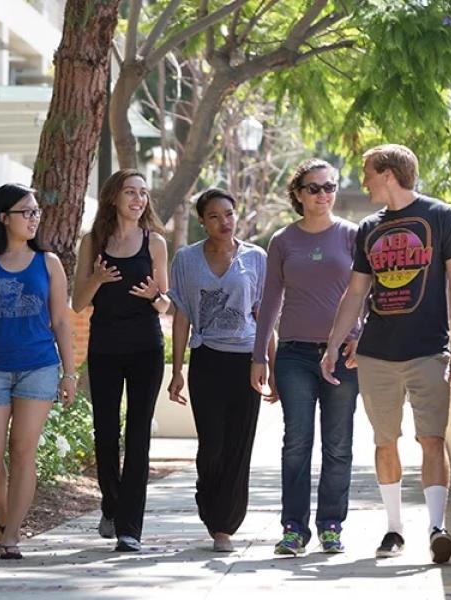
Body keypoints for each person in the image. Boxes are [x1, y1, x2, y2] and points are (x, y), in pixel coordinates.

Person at [321, 144, 451, 564]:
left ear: (387, 173)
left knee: (432, 438)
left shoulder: (441, 217)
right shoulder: (369, 227)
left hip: (428, 351)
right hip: (376, 354)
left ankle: (437, 527)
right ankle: (393, 529)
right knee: (385, 441)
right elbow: (356, 291)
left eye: (367, 171)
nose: (363, 179)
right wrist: (334, 344)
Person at [249, 159, 362, 557]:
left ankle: (331, 524)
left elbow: (367, 292)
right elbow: (270, 302)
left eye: (329, 187)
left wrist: (359, 339)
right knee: (297, 441)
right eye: (313, 188)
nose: (323, 195)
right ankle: (294, 529)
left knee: (338, 443)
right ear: (298, 194)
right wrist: (259, 356)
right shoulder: (282, 241)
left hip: (344, 356)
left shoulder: (352, 235)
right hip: (295, 355)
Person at [0, 183, 77, 560]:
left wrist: (69, 373)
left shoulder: (49, 263)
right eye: (26, 212)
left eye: (36, 212)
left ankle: (9, 536)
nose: (34, 218)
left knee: (23, 451)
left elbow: (60, 320)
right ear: (3, 218)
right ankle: (7, 511)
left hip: (39, 367)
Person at [72, 169, 170, 552]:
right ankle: (111, 504)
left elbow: (167, 301)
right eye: (130, 192)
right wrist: (96, 278)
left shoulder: (155, 243)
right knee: (106, 433)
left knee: (138, 435)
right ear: (113, 197)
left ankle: (130, 527)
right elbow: (78, 302)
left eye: (143, 193)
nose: (138, 199)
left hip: (146, 347)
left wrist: (153, 297)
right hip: (105, 349)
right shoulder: (92, 242)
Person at [167, 188, 269, 553]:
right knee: (212, 444)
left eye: (228, 214)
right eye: (214, 216)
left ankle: (224, 524)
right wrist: (177, 370)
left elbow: (264, 314)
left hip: (245, 361)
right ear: (202, 221)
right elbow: (180, 316)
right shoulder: (186, 259)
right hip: (206, 358)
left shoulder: (257, 257)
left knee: (239, 444)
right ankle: (208, 496)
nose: (223, 222)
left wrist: (268, 361)